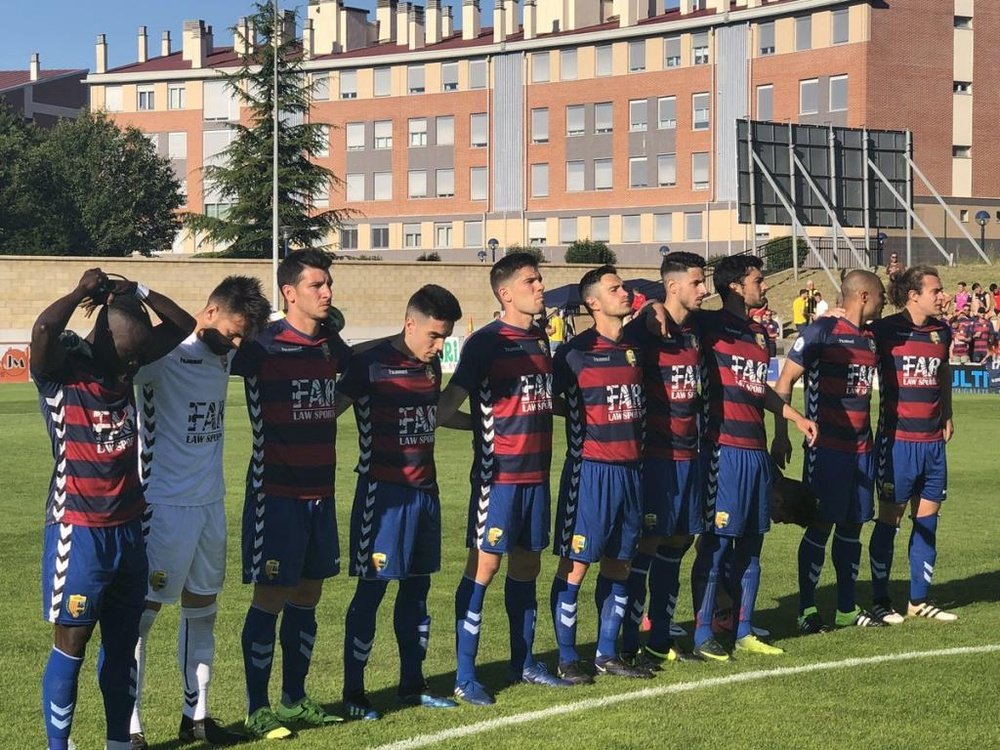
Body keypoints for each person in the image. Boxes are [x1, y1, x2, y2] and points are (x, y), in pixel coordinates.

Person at [32, 269, 194, 750]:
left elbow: (182, 325)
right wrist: (82, 292)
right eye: (126, 357)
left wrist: (138, 291)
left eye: (138, 358)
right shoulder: (62, 377)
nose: (132, 369)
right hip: (77, 533)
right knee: (73, 645)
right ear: (102, 340)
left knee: (122, 649)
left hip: (129, 531)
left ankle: (118, 744)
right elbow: (42, 332)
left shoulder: (125, 365)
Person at [129, 277, 270, 748]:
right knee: (143, 616)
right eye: (233, 331)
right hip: (163, 505)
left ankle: (197, 716)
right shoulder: (160, 355)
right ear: (210, 312)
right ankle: (129, 725)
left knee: (203, 611)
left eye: (242, 337)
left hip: (211, 504)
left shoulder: (226, 354)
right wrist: (141, 290)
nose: (236, 344)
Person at [438, 252, 571, 707]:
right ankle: (463, 674)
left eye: (540, 279)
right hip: (499, 479)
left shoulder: (539, 339)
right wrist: (482, 426)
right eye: (532, 281)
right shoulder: (485, 343)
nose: (540, 287)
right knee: (485, 566)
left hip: (538, 476)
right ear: (505, 292)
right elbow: (443, 408)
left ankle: (525, 663)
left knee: (527, 567)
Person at [231, 250, 352, 739]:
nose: (326, 293)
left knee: (308, 595)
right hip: (275, 494)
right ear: (289, 292)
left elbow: (354, 379)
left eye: (328, 285)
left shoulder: (330, 346)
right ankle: (257, 707)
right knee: (271, 597)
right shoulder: (261, 345)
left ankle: (295, 700)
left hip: (321, 492)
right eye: (316, 285)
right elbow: (207, 361)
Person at [335, 285, 464, 720]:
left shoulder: (431, 369)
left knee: (418, 590)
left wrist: (489, 425)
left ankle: (413, 684)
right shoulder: (368, 364)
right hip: (382, 495)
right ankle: (354, 691)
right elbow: (327, 411)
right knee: (371, 592)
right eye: (433, 336)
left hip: (426, 494)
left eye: (445, 337)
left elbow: (437, 415)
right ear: (410, 323)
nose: (439, 346)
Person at [689, 255, 818, 661]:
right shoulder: (705, 325)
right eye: (758, 280)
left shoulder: (761, 334)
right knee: (715, 545)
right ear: (734, 286)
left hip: (755, 453)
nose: (764, 286)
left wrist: (793, 416)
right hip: (720, 450)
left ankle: (743, 630)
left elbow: (758, 387)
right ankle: (702, 633)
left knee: (752, 544)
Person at [549, 265, 651, 682]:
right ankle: (568, 655)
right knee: (576, 564)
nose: (624, 293)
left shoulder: (637, 348)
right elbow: (549, 402)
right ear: (593, 303)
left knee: (621, 563)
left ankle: (607, 653)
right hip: (589, 472)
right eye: (615, 289)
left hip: (632, 472)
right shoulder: (573, 353)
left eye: (623, 287)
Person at [772, 271, 887, 633]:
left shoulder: (870, 339)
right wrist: (782, 433)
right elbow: (785, 381)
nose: (885, 301)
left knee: (853, 525)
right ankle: (806, 610)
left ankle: (846, 609)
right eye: (882, 295)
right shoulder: (821, 332)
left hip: (861, 449)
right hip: (827, 449)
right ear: (865, 296)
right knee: (820, 525)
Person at [618, 252, 708, 666]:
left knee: (679, 541)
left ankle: (660, 636)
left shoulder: (695, 331)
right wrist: (645, 312)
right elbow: (616, 345)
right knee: (648, 544)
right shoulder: (645, 332)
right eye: (696, 282)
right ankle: (628, 640)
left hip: (691, 455)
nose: (703, 289)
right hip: (655, 456)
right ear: (672, 287)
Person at [868, 265, 957, 623]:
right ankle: (879, 599)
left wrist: (947, 413)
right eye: (936, 290)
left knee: (929, 520)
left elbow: (944, 372)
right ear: (913, 295)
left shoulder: (941, 331)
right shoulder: (884, 330)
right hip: (897, 442)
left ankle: (918, 601)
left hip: (933, 442)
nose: (942, 295)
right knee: (890, 519)